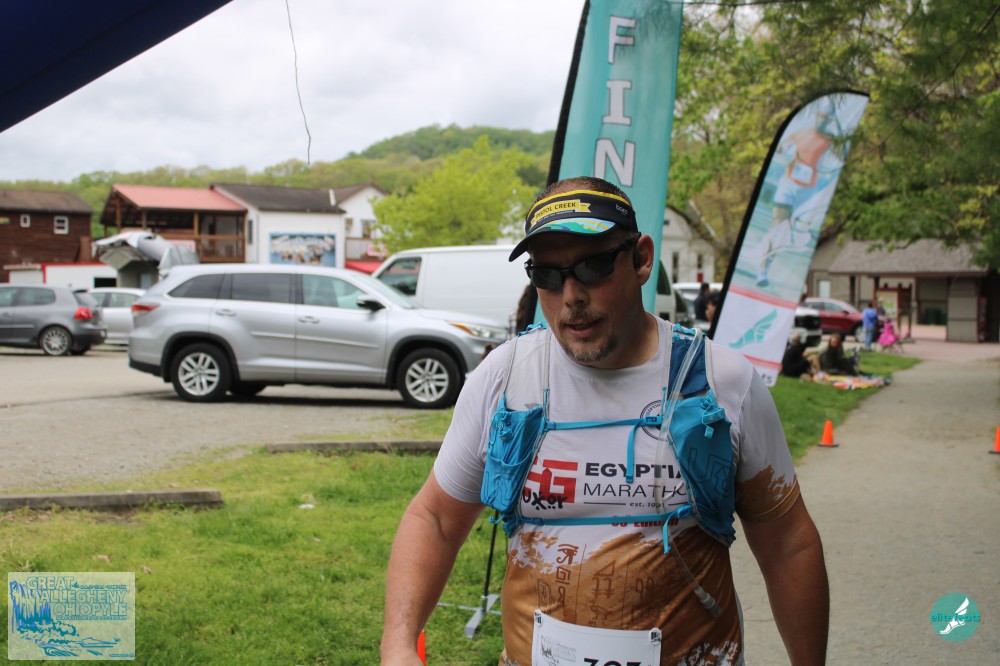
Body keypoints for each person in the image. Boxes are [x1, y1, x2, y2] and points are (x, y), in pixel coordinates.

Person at [381, 176, 829, 666]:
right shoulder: (505, 379)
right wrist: (398, 644)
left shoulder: (721, 382)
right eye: (547, 275)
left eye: (592, 266)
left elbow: (788, 543)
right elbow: (435, 519)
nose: (571, 295)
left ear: (641, 259)